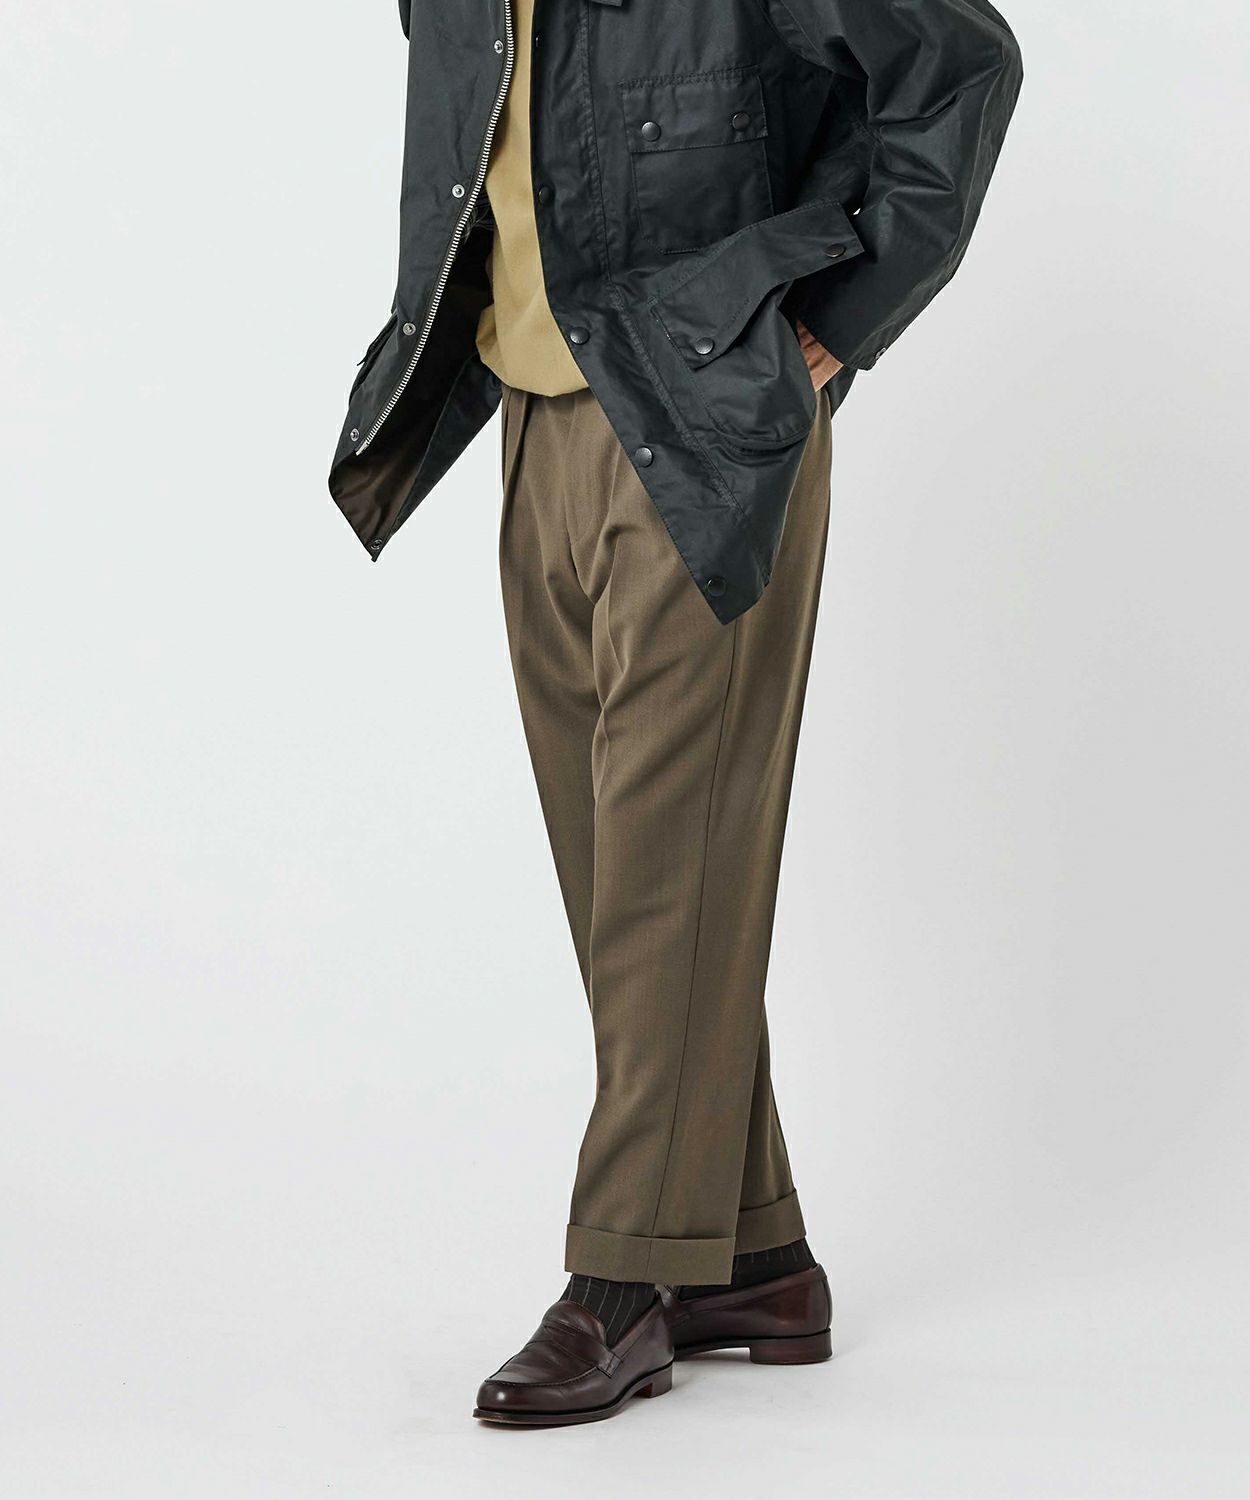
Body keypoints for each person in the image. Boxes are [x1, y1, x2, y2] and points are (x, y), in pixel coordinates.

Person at [329, 0, 1022, 1428]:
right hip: (531, 412)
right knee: (628, 882)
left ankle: (624, 1279)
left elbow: (961, 64)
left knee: (659, 872)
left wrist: (837, 319)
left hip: (707, 417)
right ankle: (751, 1258)